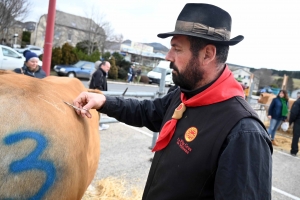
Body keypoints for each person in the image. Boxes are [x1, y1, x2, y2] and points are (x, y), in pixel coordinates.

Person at [73, 3, 272, 199]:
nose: (168, 56)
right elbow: (147, 111)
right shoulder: (185, 95)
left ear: (207, 54)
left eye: (177, 49)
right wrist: (103, 101)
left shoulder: (244, 134)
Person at [89, 61, 111, 131]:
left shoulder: (102, 73)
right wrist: (101, 94)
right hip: (97, 95)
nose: (108, 69)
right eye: (108, 67)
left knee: (98, 111)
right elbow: (97, 85)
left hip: (98, 95)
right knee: (97, 110)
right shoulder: (99, 73)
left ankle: (100, 124)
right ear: (103, 66)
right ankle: (99, 125)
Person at [289, 92, 300, 156]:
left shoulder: (298, 102)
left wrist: (290, 121)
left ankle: (294, 150)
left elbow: (294, 113)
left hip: (298, 121)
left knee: (296, 136)